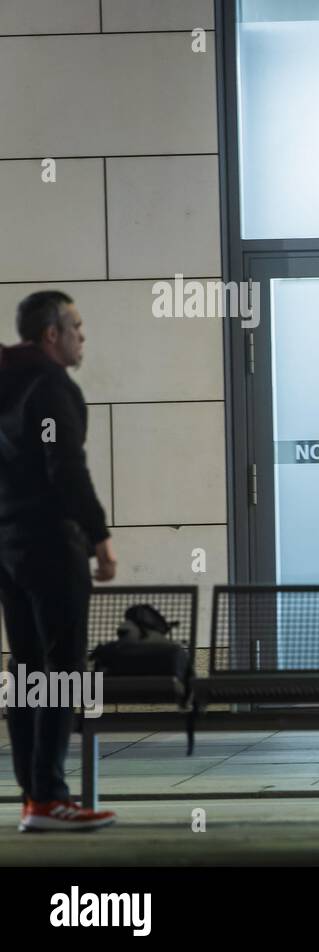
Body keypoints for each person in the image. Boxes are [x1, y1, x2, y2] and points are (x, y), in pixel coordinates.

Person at [0, 291, 117, 831]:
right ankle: (49, 797)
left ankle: (33, 797)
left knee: (25, 671)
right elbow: (65, 467)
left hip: (8, 549)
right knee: (64, 671)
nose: (83, 335)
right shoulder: (49, 387)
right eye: (77, 324)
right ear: (52, 334)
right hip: (50, 545)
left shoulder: (6, 383)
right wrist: (98, 536)